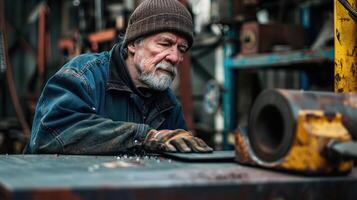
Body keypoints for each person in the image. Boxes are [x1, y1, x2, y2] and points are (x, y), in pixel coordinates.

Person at [25, 0, 213, 154]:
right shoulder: (84, 75)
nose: (175, 57)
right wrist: (145, 137)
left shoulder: (168, 105)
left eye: (181, 49)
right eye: (164, 43)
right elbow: (50, 132)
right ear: (132, 44)